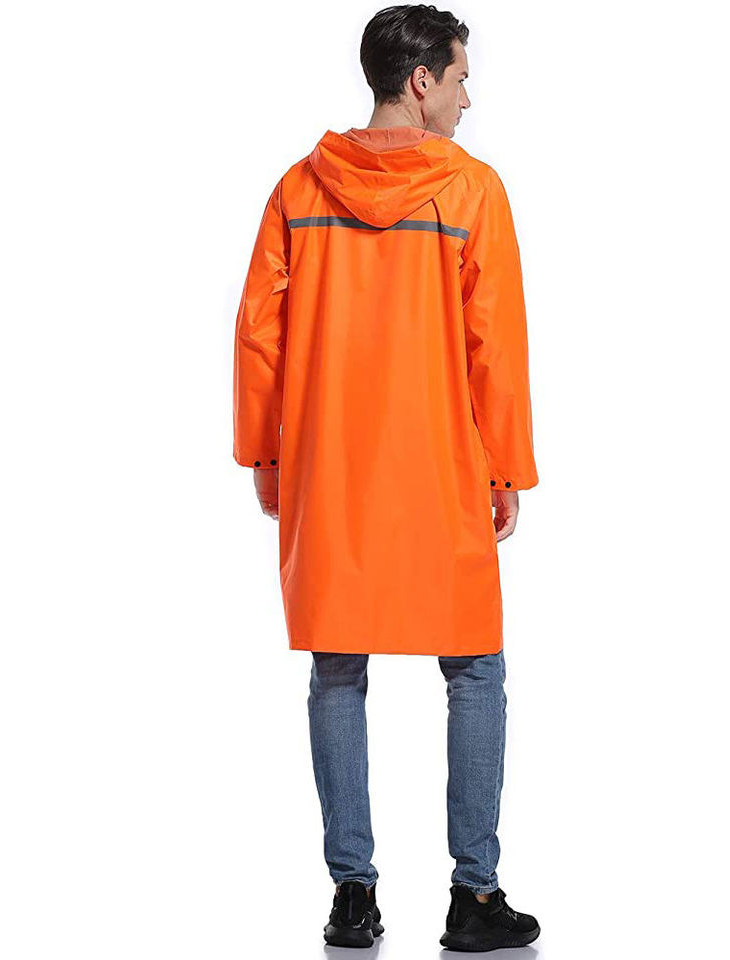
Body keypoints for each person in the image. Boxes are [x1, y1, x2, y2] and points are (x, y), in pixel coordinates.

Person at [232, 4, 541, 951]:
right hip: (441, 468)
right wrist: (507, 466)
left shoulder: (299, 188)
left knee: (337, 668)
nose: (467, 97)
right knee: (475, 669)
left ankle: (352, 897)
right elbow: (496, 347)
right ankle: (475, 898)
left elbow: (258, 336)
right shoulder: (471, 190)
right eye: (460, 77)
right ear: (421, 80)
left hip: (331, 472)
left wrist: (264, 453)